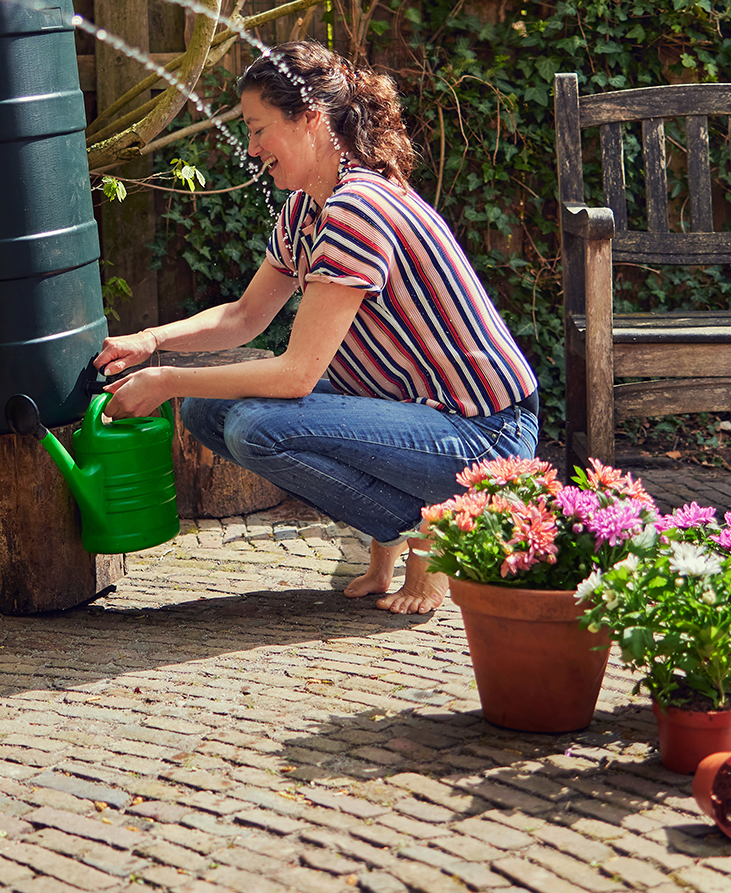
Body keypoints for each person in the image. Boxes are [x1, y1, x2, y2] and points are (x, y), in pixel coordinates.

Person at [94, 41, 539, 615]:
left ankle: (440, 527)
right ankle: (398, 537)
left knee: (256, 425)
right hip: (415, 409)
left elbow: (298, 375)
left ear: (309, 120)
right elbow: (244, 316)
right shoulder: (309, 205)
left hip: (487, 433)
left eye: (258, 129)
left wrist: (166, 382)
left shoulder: (358, 207)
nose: (251, 149)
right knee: (208, 411)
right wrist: (151, 343)